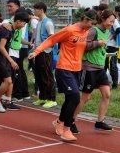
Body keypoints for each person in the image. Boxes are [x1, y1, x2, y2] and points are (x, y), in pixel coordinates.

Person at [28, 8, 97, 142]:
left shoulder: (87, 31)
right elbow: (51, 40)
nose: (92, 26)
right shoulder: (70, 30)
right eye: (92, 23)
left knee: (70, 99)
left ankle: (59, 122)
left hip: (76, 69)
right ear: (85, 19)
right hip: (64, 68)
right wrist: (36, 51)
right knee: (75, 98)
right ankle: (66, 130)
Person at [72, 9, 115, 134]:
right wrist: (97, 43)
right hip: (89, 68)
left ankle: (99, 122)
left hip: (100, 68)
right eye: (110, 21)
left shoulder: (106, 31)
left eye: (113, 22)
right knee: (86, 97)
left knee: (107, 94)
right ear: (103, 19)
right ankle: (71, 120)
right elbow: (83, 46)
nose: (111, 24)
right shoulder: (93, 30)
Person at [0, 11, 30, 112]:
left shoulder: (11, 29)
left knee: (9, 81)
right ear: (18, 21)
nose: (24, 25)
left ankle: (2, 100)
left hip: (2, 58)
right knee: (8, 81)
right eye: (24, 23)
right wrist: (11, 60)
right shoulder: (6, 30)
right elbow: (1, 47)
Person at [31, 2, 57, 108]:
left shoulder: (48, 23)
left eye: (36, 9)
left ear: (41, 10)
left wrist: (42, 48)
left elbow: (52, 39)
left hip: (46, 52)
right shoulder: (39, 22)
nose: (34, 11)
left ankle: (51, 99)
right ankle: (42, 97)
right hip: (38, 52)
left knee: (47, 75)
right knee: (39, 75)